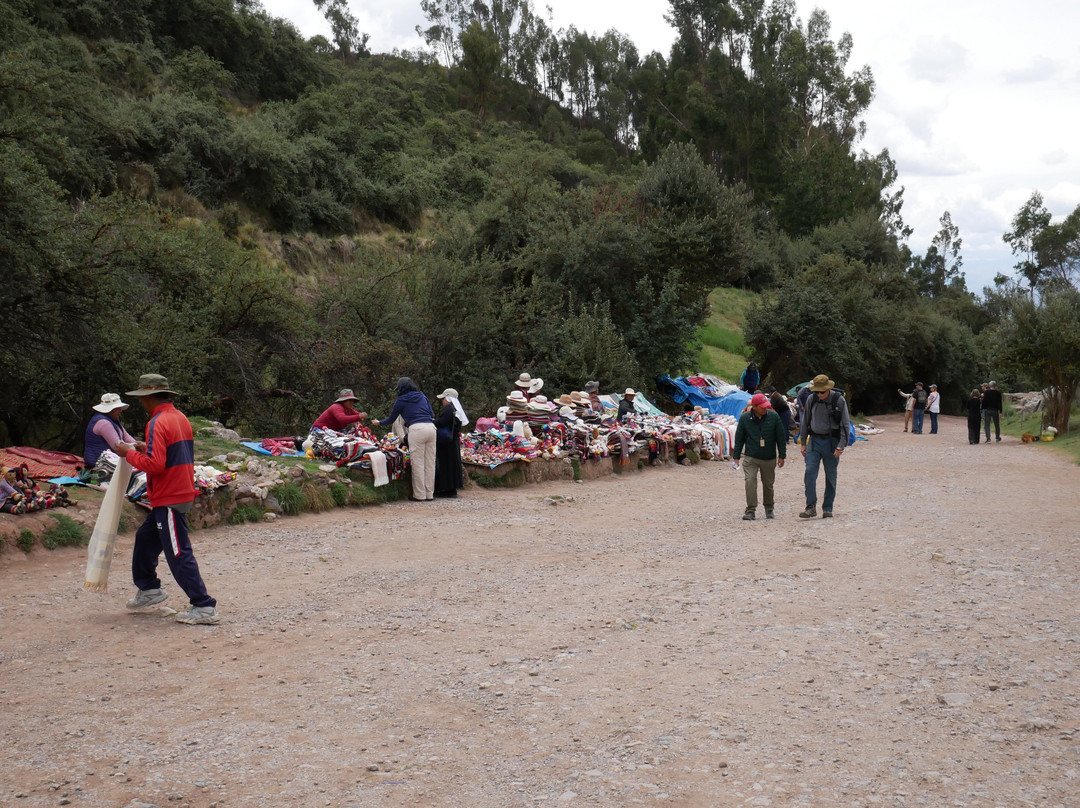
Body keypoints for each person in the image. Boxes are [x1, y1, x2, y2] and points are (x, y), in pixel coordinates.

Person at [113, 374, 219, 625]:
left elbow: (156, 465)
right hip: (180, 490)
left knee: (178, 553)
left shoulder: (156, 422)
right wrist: (143, 447)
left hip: (168, 496)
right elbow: (168, 452)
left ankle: (203, 606)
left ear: (149, 397)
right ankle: (149, 588)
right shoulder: (179, 417)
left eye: (141, 398)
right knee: (145, 538)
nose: (141, 403)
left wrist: (129, 454)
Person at [372, 377, 437, 501]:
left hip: (417, 429)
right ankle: (430, 494)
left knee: (417, 463)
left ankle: (419, 495)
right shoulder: (422, 396)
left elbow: (392, 419)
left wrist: (379, 422)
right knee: (430, 462)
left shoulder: (401, 400)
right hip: (431, 428)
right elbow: (431, 413)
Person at [797, 374, 851, 519]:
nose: (819, 394)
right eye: (817, 392)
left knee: (831, 476)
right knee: (809, 473)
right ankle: (810, 507)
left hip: (831, 443)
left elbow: (845, 424)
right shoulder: (811, 399)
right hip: (814, 442)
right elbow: (805, 421)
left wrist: (841, 446)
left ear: (828, 389)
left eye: (822, 392)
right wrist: (803, 443)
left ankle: (828, 508)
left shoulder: (838, 400)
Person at [732, 393, 787, 520]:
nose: (765, 408)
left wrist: (782, 456)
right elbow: (739, 438)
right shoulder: (745, 418)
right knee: (750, 482)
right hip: (751, 457)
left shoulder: (774, 416)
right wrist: (736, 457)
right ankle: (750, 510)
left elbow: (781, 437)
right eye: (762, 407)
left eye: (766, 406)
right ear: (754, 407)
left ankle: (769, 507)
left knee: (768, 484)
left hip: (769, 457)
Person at [84, 393, 138, 478]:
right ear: (109, 409)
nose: (120, 410)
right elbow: (117, 446)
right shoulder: (104, 423)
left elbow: (125, 436)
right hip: (99, 461)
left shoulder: (114, 420)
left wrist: (138, 445)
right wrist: (137, 452)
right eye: (117, 408)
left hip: (109, 459)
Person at [434, 388, 467, 498]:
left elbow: (441, 422)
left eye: (443, 398)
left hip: (446, 442)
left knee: (445, 464)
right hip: (453, 441)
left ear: (448, 398)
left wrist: (431, 421)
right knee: (453, 464)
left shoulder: (449, 409)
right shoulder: (456, 410)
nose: (442, 400)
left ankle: (445, 489)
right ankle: (452, 488)